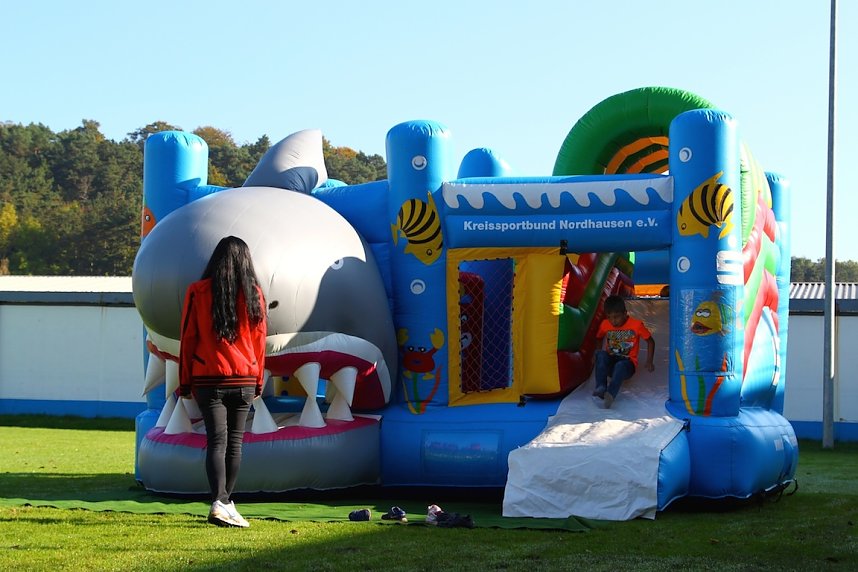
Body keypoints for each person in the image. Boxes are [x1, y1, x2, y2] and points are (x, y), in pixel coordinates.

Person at [179, 236, 267, 528]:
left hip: (207, 378)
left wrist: (185, 381)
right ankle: (226, 503)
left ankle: (220, 501)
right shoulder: (254, 294)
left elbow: (188, 338)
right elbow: (259, 343)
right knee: (235, 443)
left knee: (216, 440)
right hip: (244, 377)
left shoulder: (198, 292)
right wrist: (257, 381)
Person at [592, 295, 655, 409]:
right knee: (600, 354)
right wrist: (596, 354)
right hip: (611, 361)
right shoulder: (605, 324)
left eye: (616, 317)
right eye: (609, 317)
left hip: (627, 364)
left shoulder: (636, 325)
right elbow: (598, 337)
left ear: (625, 313)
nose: (613, 321)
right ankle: (600, 387)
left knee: (620, 365)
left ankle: (610, 394)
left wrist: (649, 361)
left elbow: (650, 341)